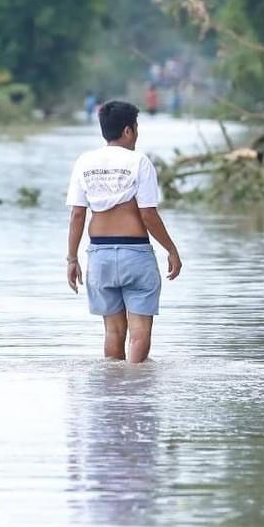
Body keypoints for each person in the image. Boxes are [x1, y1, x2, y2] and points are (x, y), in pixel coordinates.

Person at [66, 100, 183, 362]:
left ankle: (114, 386)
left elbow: (77, 215)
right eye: (137, 128)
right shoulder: (139, 162)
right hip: (136, 254)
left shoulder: (84, 162)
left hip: (100, 256)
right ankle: (136, 383)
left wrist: (72, 258)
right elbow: (148, 215)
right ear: (128, 130)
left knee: (113, 331)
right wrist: (171, 250)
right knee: (139, 333)